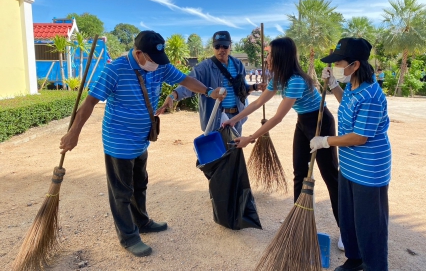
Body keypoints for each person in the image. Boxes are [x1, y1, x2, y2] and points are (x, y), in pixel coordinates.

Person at [59, 31, 224, 257]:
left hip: (140, 140)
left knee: (140, 184)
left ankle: (142, 221)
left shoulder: (159, 65)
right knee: (122, 191)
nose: (158, 65)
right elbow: (90, 102)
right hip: (118, 141)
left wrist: (208, 91)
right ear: (138, 54)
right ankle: (128, 237)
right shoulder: (115, 69)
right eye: (153, 61)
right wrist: (73, 133)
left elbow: (185, 80)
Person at [223, 37, 340, 228]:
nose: (267, 58)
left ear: (280, 56)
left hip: (320, 123)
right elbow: (257, 102)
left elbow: (277, 118)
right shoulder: (279, 78)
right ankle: (298, 223)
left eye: (269, 54)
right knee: (299, 173)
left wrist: (251, 138)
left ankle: (346, 231)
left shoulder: (295, 81)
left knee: (330, 176)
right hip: (303, 123)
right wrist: (234, 119)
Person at [311, 37, 391, 271]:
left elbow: (359, 137)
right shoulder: (354, 87)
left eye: (339, 63)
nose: (335, 67)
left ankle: (374, 266)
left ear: (355, 65)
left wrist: (326, 141)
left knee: (369, 224)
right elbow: (345, 102)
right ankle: (354, 260)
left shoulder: (371, 96)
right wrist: (334, 85)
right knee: (349, 219)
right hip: (349, 167)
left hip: (368, 170)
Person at [158, 31, 265, 135]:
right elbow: (189, 84)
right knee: (217, 152)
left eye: (225, 46)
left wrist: (255, 86)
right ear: (213, 47)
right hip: (216, 119)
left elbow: (242, 89)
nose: (221, 49)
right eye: (217, 46)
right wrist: (173, 95)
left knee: (235, 150)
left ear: (230, 46)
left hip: (236, 118)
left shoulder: (238, 65)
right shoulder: (204, 67)